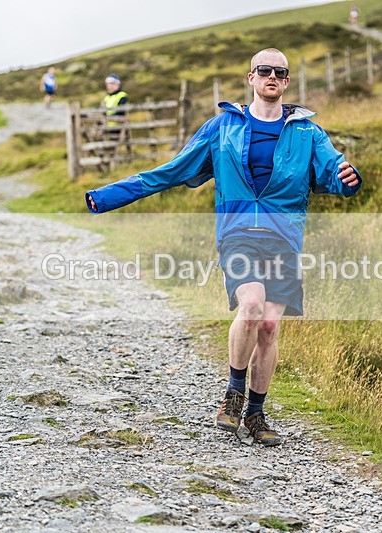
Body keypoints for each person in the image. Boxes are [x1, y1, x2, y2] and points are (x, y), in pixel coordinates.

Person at [85, 48, 361, 447]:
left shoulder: (308, 133)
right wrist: (109, 196)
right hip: (238, 233)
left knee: (269, 326)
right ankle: (234, 393)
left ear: (286, 82)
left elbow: (334, 170)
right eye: (264, 70)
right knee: (250, 307)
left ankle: (256, 413)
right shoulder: (222, 127)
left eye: (279, 72)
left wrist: (348, 180)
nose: (271, 77)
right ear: (251, 78)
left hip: (284, 237)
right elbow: (171, 171)